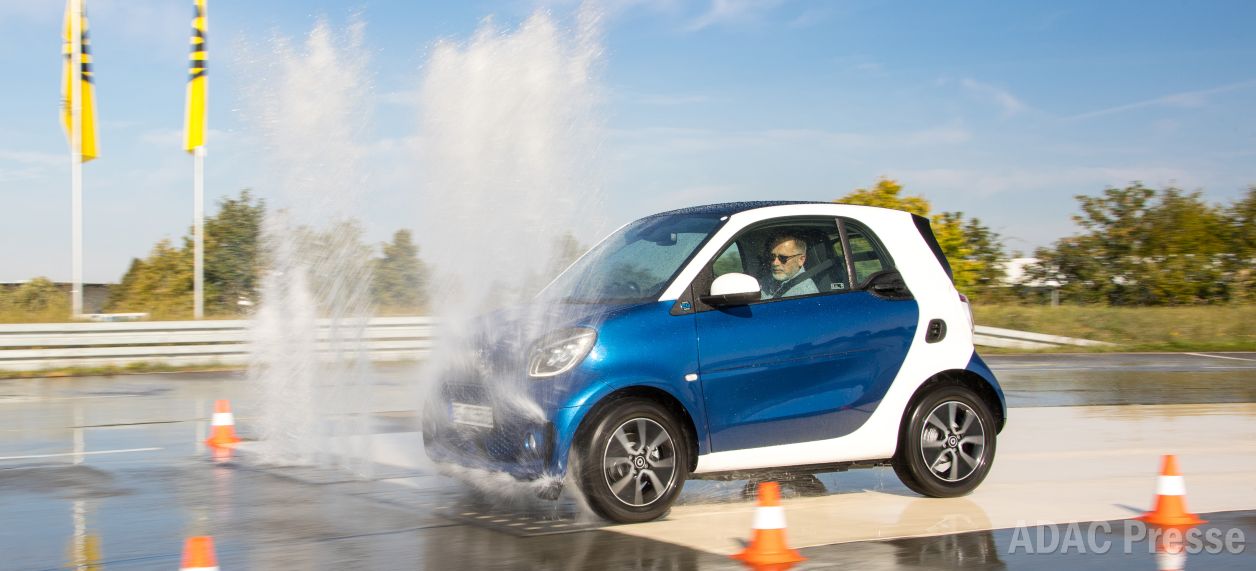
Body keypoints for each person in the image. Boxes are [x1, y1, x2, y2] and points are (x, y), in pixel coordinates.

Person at [761, 233, 819, 299]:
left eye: (783, 258)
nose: (775, 263)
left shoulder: (806, 294)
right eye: (772, 257)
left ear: (801, 260)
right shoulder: (769, 278)